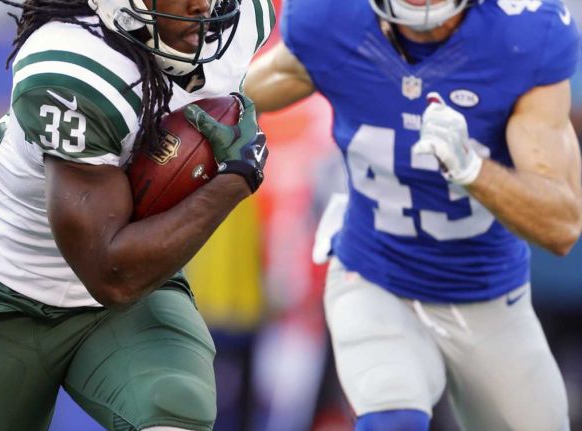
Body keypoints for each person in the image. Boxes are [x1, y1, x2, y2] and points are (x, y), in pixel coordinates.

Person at [0, 0, 274, 430]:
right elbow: (109, 273)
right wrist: (234, 180)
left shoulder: (240, 20)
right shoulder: (73, 66)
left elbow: (277, 71)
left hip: (140, 295)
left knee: (174, 416)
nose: (203, 5)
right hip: (19, 293)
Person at [244, 0, 582, 430]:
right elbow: (233, 99)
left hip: (490, 296)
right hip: (375, 276)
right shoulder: (332, 19)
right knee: (392, 419)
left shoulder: (523, 37)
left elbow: (563, 225)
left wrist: (472, 170)